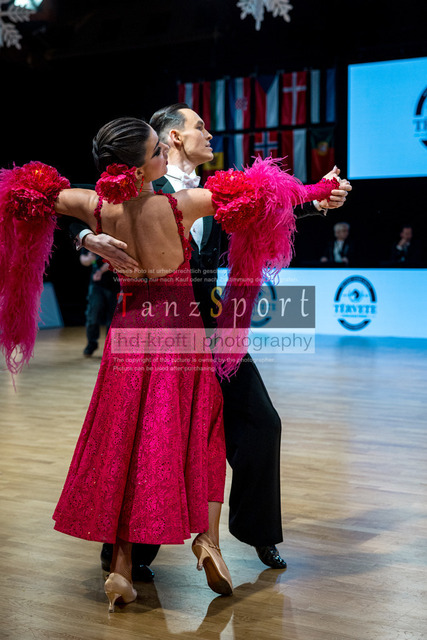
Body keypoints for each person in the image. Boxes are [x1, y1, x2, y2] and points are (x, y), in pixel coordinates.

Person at [73, 104, 352, 573]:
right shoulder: (138, 185)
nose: (209, 134)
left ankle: (257, 532)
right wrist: (86, 237)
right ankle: (129, 552)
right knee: (152, 434)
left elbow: (262, 208)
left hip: (216, 333)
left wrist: (314, 201)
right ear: (173, 137)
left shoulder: (212, 191)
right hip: (162, 337)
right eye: (199, 126)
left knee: (262, 424)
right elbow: (76, 207)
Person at [79, 248, 120, 356]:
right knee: (93, 314)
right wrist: (89, 259)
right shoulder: (90, 240)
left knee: (112, 318)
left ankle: (110, 348)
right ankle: (91, 344)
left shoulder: (115, 240)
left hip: (114, 285)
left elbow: (116, 260)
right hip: (97, 285)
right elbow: (83, 259)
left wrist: (101, 271)